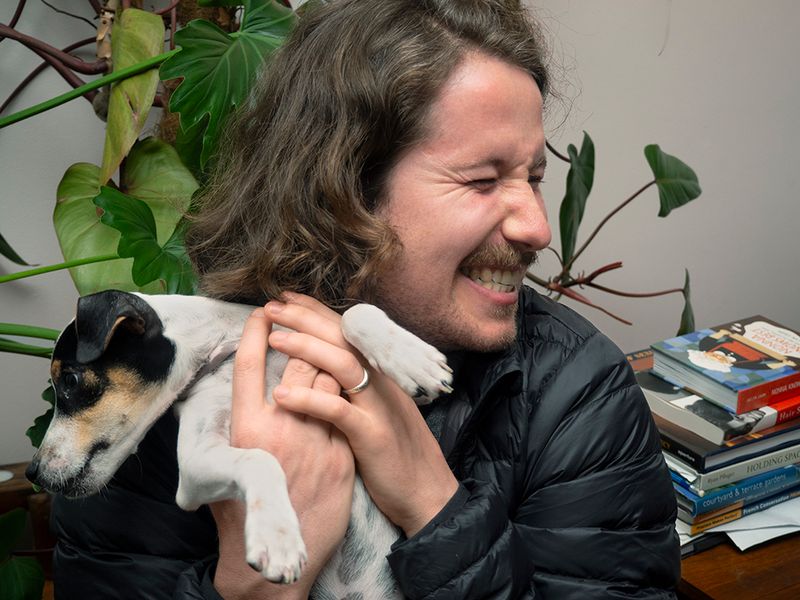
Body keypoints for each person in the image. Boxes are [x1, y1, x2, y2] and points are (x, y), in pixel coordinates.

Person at [50, 0, 680, 598]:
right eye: (483, 180)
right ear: (343, 192)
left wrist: (434, 504)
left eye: (534, 177)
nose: (538, 228)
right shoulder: (154, 393)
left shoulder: (575, 391)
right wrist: (256, 586)